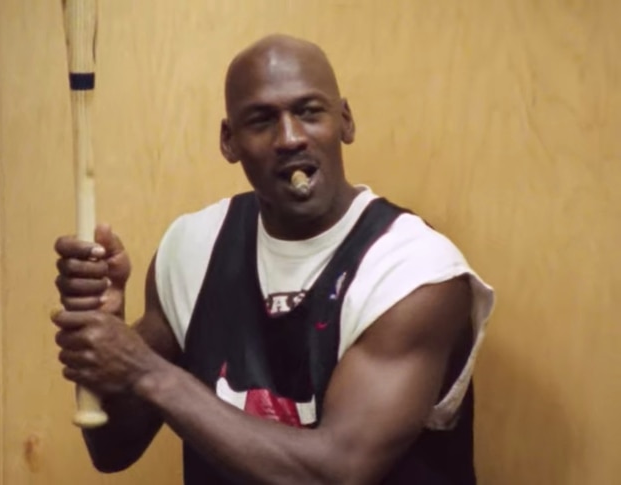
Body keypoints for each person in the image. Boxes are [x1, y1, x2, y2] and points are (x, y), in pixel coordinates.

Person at [51, 33, 495, 485]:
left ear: (345, 121)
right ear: (229, 142)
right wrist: (102, 328)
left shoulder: (413, 271)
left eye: (308, 112)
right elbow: (113, 449)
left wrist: (145, 370)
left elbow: (337, 473)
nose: (290, 138)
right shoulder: (192, 248)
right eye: (261, 120)